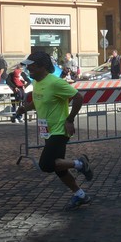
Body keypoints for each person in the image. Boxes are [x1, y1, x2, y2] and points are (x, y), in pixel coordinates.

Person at [15, 51, 93, 211]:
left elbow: (79, 97)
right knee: (59, 168)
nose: (29, 70)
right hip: (47, 131)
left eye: (32, 67)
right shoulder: (36, 82)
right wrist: (25, 108)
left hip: (59, 130)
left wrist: (70, 119)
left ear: (42, 67)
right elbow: (38, 102)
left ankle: (80, 164)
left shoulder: (55, 83)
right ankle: (80, 195)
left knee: (46, 164)